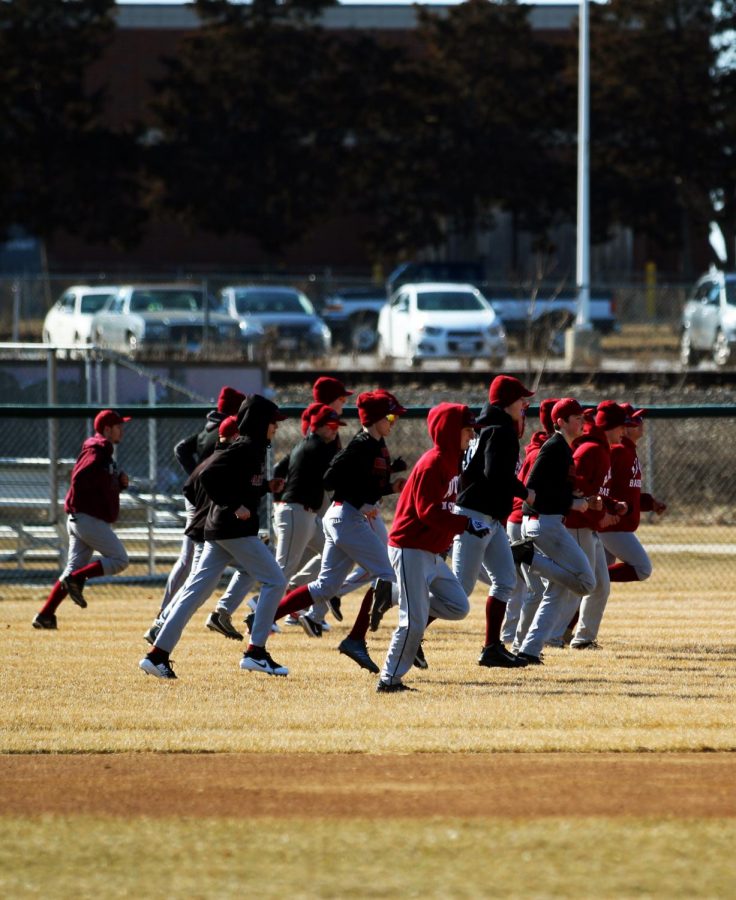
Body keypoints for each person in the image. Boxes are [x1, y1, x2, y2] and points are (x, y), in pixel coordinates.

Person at [139, 395, 288, 679]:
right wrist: (234, 505)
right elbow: (209, 476)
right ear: (259, 423)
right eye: (272, 422)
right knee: (276, 580)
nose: (276, 428)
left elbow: (242, 484)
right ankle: (255, 652)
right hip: (232, 530)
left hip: (219, 531)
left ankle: (157, 655)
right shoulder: (245, 446)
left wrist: (267, 486)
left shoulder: (252, 447)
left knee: (195, 593)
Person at [271, 390, 407, 671]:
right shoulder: (361, 444)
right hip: (347, 516)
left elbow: (366, 484)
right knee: (386, 575)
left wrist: (389, 488)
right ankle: (356, 639)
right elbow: (331, 479)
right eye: (390, 416)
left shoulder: (377, 444)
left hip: (345, 517)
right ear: (375, 418)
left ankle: (265, 617)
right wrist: (363, 497)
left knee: (326, 586)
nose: (394, 422)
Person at [377, 403, 478, 692]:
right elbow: (427, 512)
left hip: (430, 552)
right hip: (411, 548)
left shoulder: (452, 460)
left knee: (458, 605)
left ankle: (395, 593)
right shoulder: (434, 462)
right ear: (449, 431)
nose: (471, 436)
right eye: (467, 430)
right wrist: (465, 525)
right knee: (414, 622)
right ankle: (389, 679)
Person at [451, 375, 534, 669]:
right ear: (506, 402)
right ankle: (412, 629)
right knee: (458, 590)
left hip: (488, 517)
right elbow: (495, 474)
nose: (525, 405)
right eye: (521, 400)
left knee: (506, 580)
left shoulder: (488, 426)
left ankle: (491, 648)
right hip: (474, 516)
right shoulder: (500, 430)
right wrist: (526, 493)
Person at [32, 409, 131, 629]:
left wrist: (117, 482)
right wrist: (108, 484)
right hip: (87, 518)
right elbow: (79, 478)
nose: (121, 430)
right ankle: (77, 579)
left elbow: (99, 482)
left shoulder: (102, 449)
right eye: (118, 426)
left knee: (72, 568)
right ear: (107, 429)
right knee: (120, 559)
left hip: (81, 518)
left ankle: (45, 615)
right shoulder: (100, 447)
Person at [515, 399, 597, 664]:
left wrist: (570, 495)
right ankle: (527, 556)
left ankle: (529, 649)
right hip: (544, 522)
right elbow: (533, 489)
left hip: (545, 521)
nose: (582, 421)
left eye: (582, 417)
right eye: (576, 418)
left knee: (558, 589)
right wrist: (572, 502)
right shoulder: (554, 447)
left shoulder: (562, 448)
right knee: (586, 582)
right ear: (560, 422)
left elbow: (551, 489)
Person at [257, 403, 347, 639]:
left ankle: (296, 593)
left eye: (338, 425)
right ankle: (259, 615)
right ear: (319, 427)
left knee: (333, 551)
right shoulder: (318, 446)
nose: (336, 430)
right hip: (296, 512)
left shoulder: (311, 444)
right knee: (280, 573)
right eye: (332, 425)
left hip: (304, 514)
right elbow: (335, 478)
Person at [158, 386, 246, 618]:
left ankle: (165, 612)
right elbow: (182, 451)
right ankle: (164, 613)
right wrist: (196, 478)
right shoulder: (219, 430)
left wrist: (193, 474)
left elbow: (181, 449)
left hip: (204, 497)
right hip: (203, 498)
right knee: (190, 560)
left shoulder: (210, 430)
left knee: (191, 560)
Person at [567, 400, 629, 650]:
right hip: (577, 525)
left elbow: (594, 492)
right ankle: (550, 636)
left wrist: (611, 504)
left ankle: (582, 639)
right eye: (620, 427)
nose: (623, 432)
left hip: (588, 527)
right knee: (575, 585)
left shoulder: (601, 450)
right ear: (609, 427)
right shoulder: (591, 450)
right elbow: (575, 489)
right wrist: (597, 516)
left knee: (599, 586)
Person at [503, 397, 557, 651]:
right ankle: (518, 645)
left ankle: (511, 638)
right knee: (534, 587)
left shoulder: (545, 448)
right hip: (521, 521)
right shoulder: (543, 452)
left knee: (522, 586)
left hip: (519, 522)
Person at [601, 405, 667, 582]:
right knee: (642, 568)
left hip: (618, 523)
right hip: (613, 524)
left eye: (640, 420)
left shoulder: (629, 451)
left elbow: (627, 491)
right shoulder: (617, 451)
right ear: (623, 426)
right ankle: (591, 578)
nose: (640, 424)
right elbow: (600, 485)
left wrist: (649, 503)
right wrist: (607, 508)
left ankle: (586, 591)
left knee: (597, 591)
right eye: (635, 420)